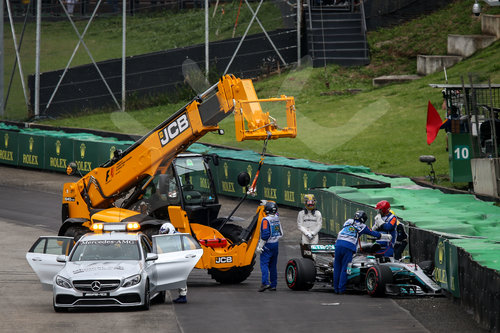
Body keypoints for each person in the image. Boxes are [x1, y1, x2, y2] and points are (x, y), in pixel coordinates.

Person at [333, 210, 380, 294]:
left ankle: (335, 288)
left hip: (338, 244)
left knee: (337, 267)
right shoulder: (363, 226)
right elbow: (373, 233)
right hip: (348, 246)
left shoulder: (348, 221)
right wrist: (380, 235)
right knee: (345, 268)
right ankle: (341, 290)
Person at [256, 201, 283, 292]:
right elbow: (275, 211)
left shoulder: (265, 220)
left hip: (267, 244)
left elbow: (265, 235)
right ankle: (273, 284)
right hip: (275, 244)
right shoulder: (277, 217)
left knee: (264, 264)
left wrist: (260, 246)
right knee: (273, 266)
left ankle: (265, 283)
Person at [159, 222, 188, 303]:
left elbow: (183, 248)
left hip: (180, 260)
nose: (163, 235)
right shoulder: (171, 237)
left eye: (165, 233)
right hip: (172, 259)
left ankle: (183, 296)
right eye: (162, 233)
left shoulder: (178, 237)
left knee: (181, 277)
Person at [297, 194, 322, 258]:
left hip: (315, 236)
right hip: (305, 236)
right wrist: (307, 233)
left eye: (312, 202)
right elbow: (299, 225)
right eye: (309, 202)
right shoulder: (301, 213)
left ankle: (313, 266)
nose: (311, 204)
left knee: (313, 254)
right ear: (305, 202)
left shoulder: (318, 213)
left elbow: (319, 225)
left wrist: (313, 233)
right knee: (306, 253)